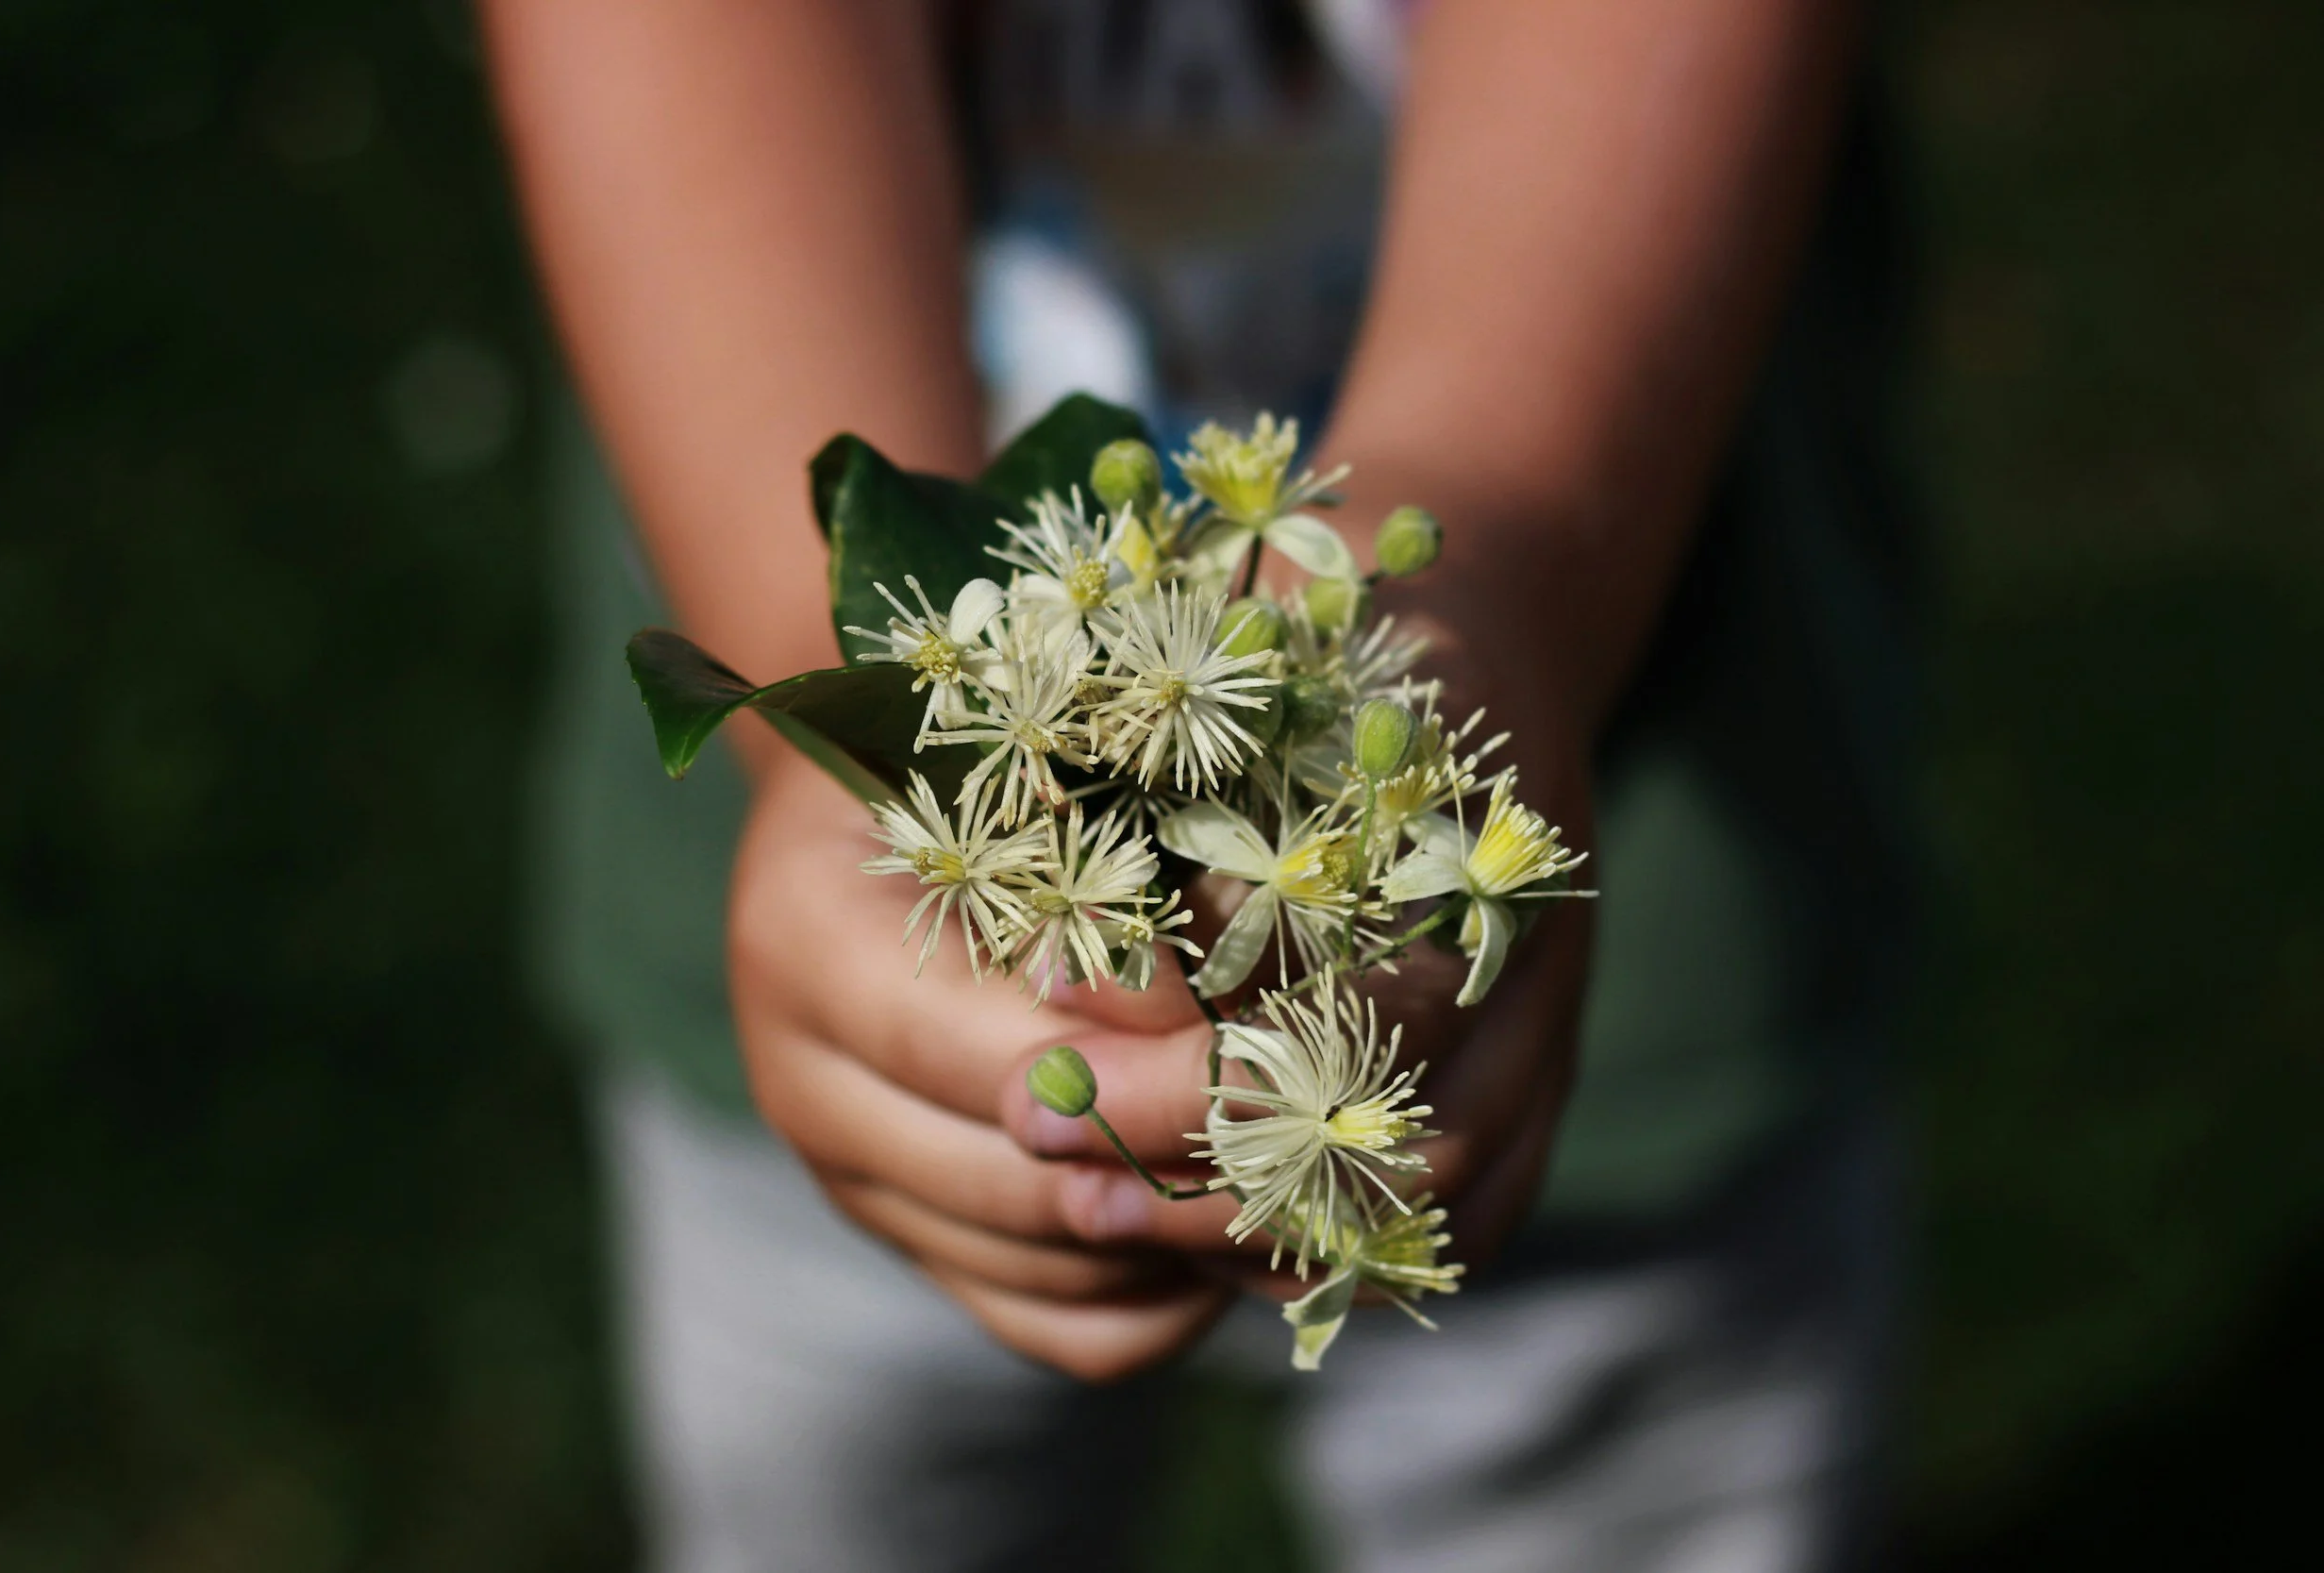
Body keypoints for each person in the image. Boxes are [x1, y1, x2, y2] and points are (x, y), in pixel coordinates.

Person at [483, 1, 1918, 1567]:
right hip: (841, 1027)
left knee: (1612, 1471)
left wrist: (1492, 577)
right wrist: (847, 720)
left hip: (1643, 926)